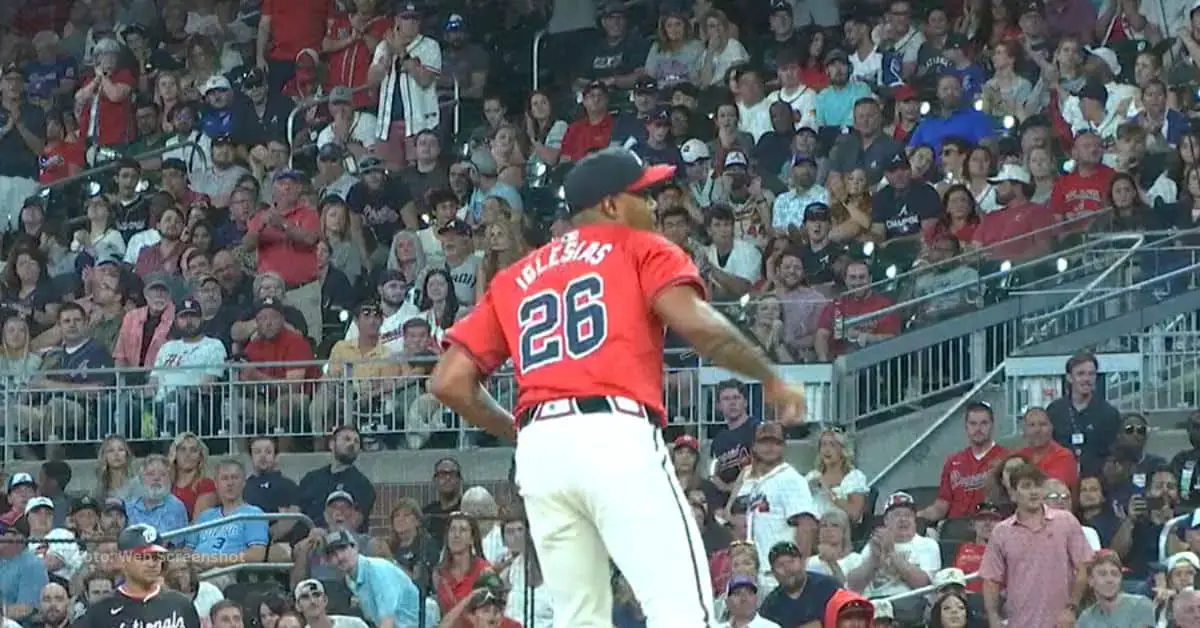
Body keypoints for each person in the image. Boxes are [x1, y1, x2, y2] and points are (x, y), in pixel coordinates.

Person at [430, 147, 807, 627]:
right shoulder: (636, 246)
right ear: (610, 205)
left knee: (579, 618)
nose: (653, 205)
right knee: (681, 610)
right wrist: (770, 376)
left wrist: (518, 433)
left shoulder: (517, 275)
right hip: (615, 432)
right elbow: (699, 325)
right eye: (643, 194)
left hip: (542, 453)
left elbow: (448, 380)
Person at [75, 524, 202, 628]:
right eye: (143, 557)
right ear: (123, 559)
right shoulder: (101, 611)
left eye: (156, 557)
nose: (152, 563)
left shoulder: (181, 604)